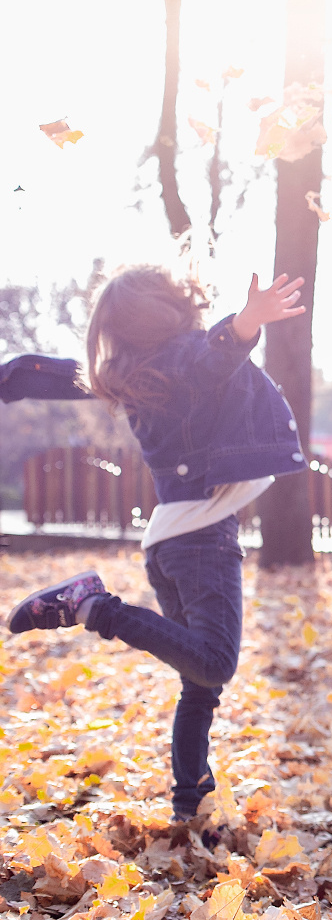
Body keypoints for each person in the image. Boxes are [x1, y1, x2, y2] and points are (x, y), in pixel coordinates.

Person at [6, 266, 308, 825]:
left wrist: (13, 376)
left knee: (198, 685)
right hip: (201, 541)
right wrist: (246, 322)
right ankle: (92, 604)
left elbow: (61, 375)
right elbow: (214, 355)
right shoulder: (182, 361)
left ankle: (189, 806)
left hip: (173, 539)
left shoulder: (133, 374)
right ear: (169, 309)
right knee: (214, 666)